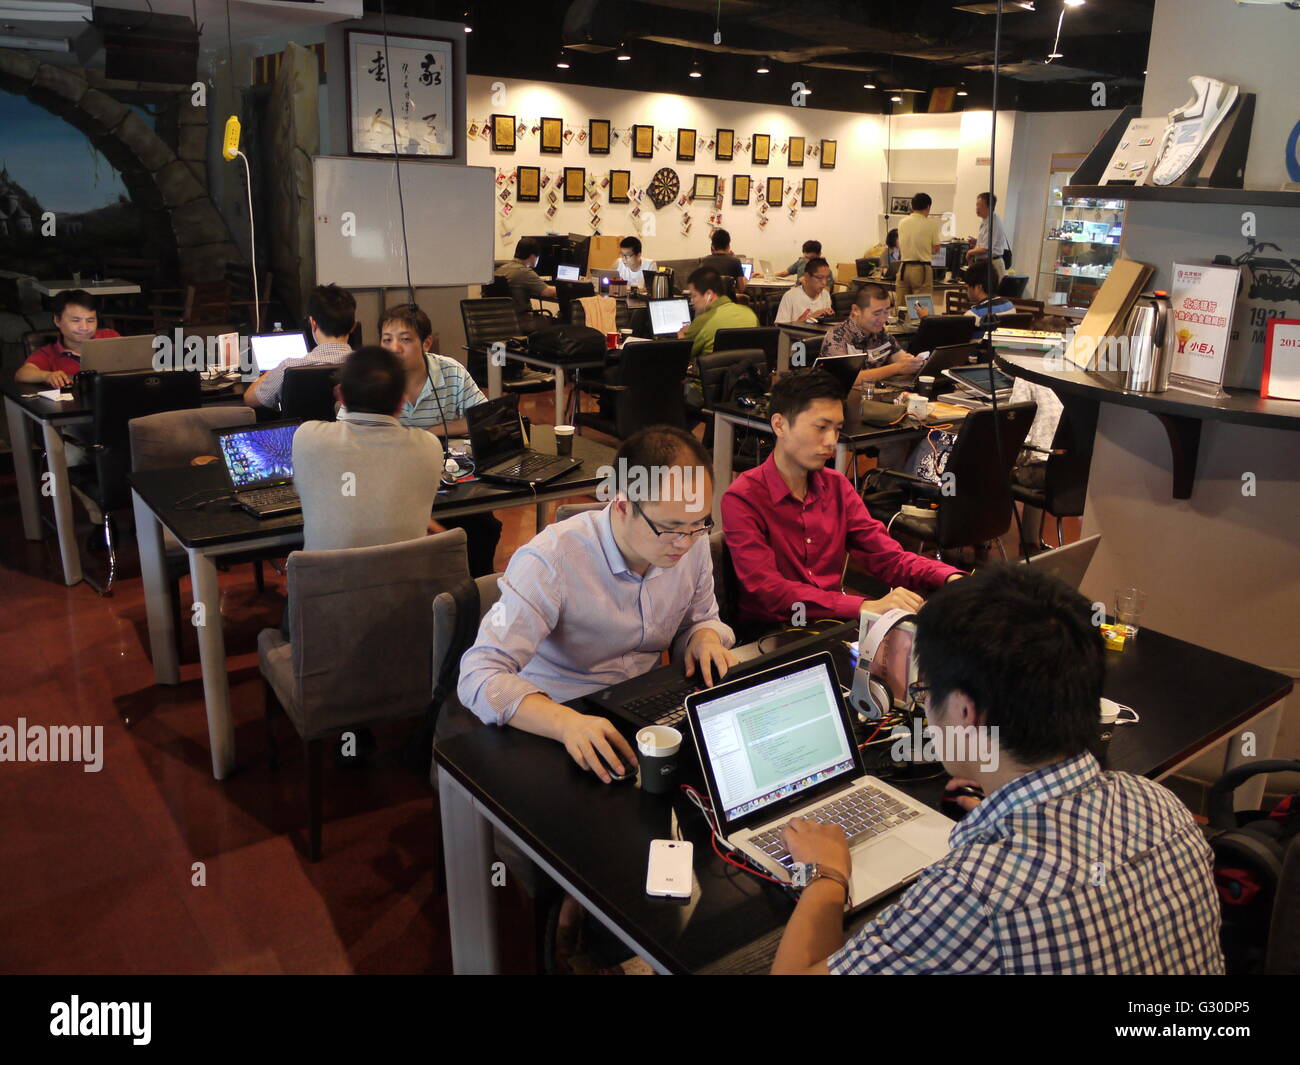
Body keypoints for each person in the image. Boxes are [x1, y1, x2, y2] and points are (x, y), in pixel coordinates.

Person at [770, 564, 1224, 975]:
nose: (926, 709)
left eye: (927, 691)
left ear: (966, 711)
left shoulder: (973, 894)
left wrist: (827, 876)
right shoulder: (1162, 805)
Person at [457, 426, 737, 783]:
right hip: (559, 718)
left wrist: (704, 638)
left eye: (699, 525)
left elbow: (699, 620)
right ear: (621, 505)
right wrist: (565, 722)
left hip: (641, 710)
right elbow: (479, 675)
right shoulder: (550, 561)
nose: (685, 543)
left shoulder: (691, 542)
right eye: (670, 528)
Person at [722, 370, 962, 634]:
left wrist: (949, 576)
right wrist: (860, 606)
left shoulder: (836, 486)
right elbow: (769, 591)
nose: (831, 442)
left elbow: (887, 556)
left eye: (837, 430)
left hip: (831, 623)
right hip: (771, 633)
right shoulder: (743, 497)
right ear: (779, 425)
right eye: (821, 428)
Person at [377, 303, 503, 577]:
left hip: (446, 480)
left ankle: (474, 597)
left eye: (405, 339)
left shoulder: (450, 371)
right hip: (391, 485)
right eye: (387, 340)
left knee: (483, 527)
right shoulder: (374, 379)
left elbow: (485, 420)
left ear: (426, 343)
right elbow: (350, 433)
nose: (394, 348)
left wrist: (432, 431)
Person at [292, 346, 443, 552]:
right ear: (402, 401)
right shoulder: (429, 447)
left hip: (323, 581)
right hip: (403, 581)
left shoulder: (306, 437)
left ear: (340, 396)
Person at [244, 283, 355, 410]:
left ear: (313, 323)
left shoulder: (288, 367)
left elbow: (250, 399)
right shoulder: (368, 365)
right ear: (352, 327)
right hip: (349, 429)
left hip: (302, 430)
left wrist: (271, 372)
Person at [820, 283, 927, 388]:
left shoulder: (881, 334)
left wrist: (915, 363)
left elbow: (900, 359)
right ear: (856, 310)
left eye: (886, 312)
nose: (882, 319)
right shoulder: (837, 337)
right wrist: (896, 368)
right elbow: (847, 378)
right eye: (876, 313)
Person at [16, 290, 120, 387]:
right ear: (57, 320)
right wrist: (47, 375)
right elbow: (22, 374)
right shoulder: (49, 353)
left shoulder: (109, 336)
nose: (84, 328)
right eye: (75, 320)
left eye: (90, 320)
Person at [679, 266, 758, 358]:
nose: (692, 301)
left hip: (709, 372)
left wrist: (681, 337)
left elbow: (682, 355)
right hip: (747, 370)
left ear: (709, 294)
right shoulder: (750, 313)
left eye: (694, 295)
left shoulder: (702, 321)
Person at [915, 269, 1015, 335]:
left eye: (968, 285)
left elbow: (950, 339)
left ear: (978, 287)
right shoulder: (1010, 306)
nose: (966, 289)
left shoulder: (974, 315)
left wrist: (926, 319)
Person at [896, 193, 941, 304]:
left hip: (903, 269)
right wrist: (925, 250)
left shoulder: (902, 223)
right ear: (928, 207)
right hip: (922, 269)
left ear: (912, 206)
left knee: (901, 306)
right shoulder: (931, 224)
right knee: (920, 308)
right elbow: (936, 249)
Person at [497, 237, 558, 321]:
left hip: (504, 320)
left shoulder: (501, 269)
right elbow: (548, 292)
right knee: (557, 322)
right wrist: (569, 288)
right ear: (533, 256)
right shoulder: (524, 272)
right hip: (523, 320)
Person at [966, 191, 1011, 287]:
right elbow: (986, 244)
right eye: (976, 204)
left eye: (979, 204)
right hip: (987, 264)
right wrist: (977, 242)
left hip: (993, 265)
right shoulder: (987, 220)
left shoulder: (992, 222)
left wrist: (970, 252)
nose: (976, 208)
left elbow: (986, 248)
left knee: (990, 296)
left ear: (988, 206)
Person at [774, 256, 833, 325]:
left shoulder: (825, 294)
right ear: (807, 276)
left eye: (827, 278)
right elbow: (780, 327)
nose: (824, 283)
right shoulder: (790, 296)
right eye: (820, 278)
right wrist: (811, 317)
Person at [701, 228, 747, 295]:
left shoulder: (704, 261)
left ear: (713, 246)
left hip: (710, 303)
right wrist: (745, 279)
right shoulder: (735, 261)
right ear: (728, 246)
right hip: (730, 303)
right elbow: (741, 289)